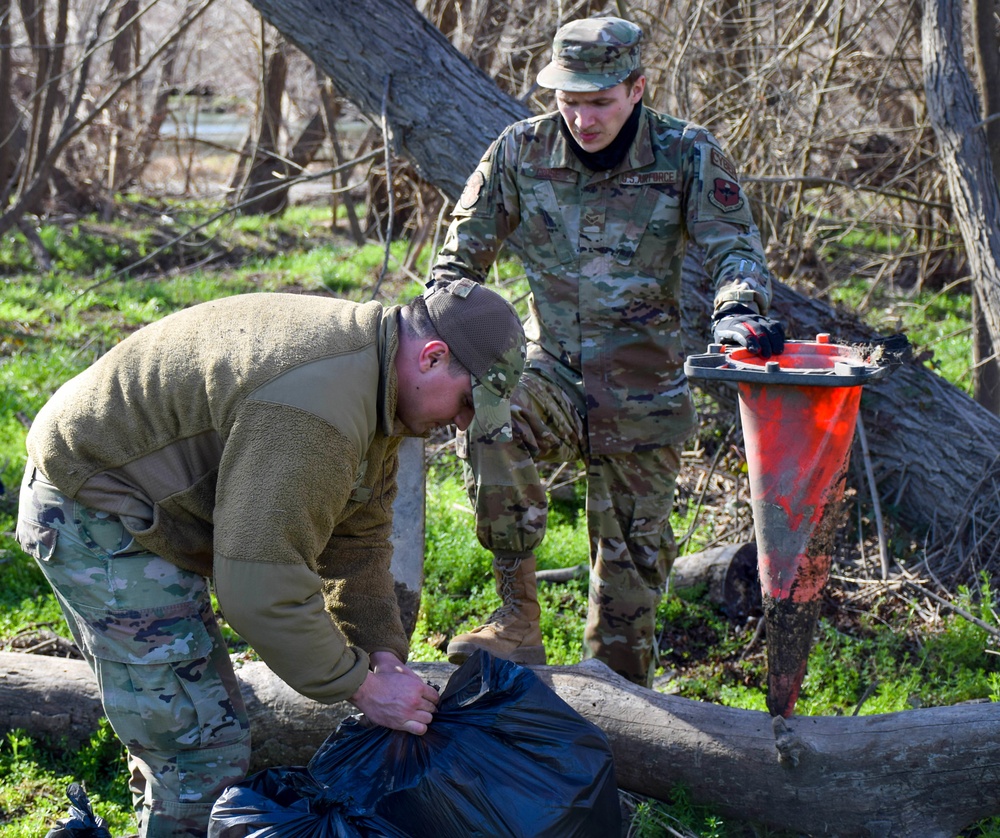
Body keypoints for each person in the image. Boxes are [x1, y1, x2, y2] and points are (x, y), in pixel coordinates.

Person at [15, 279, 525, 838]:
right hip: (95, 502)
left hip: (152, 492)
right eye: (468, 402)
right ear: (432, 357)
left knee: (187, 725)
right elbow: (258, 590)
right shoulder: (318, 410)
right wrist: (362, 686)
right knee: (201, 747)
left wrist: (384, 652)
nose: (461, 424)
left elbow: (356, 541)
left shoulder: (377, 387)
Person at [432, 16, 785, 688]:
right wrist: (450, 334)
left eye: (599, 102)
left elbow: (734, 247)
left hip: (644, 396)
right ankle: (517, 622)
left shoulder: (687, 153)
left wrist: (738, 309)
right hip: (554, 375)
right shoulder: (518, 153)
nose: (583, 118)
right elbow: (454, 270)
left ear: (637, 88)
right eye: (569, 101)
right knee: (488, 408)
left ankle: (619, 737)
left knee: (624, 623)